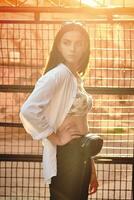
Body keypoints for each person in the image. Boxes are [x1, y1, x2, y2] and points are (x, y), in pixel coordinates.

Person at [20, 21, 99, 200]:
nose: (73, 48)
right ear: (58, 45)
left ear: (86, 46)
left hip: (81, 153)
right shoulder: (59, 74)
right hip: (66, 156)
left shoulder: (74, 76)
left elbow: (82, 124)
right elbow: (28, 110)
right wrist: (55, 137)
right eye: (67, 42)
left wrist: (91, 166)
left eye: (78, 43)